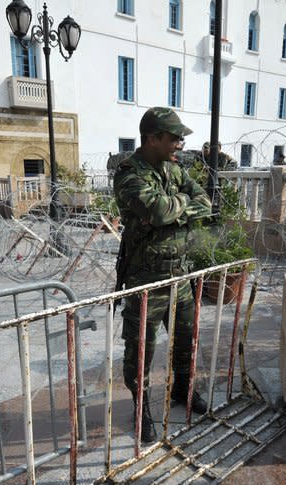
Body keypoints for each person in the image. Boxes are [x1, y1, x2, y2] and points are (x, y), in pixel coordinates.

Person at [114, 107, 213, 443]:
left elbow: (206, 202)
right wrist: (175, 208)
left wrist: (174, 207)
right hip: (146, 280)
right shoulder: (129, 172)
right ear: (153, 138)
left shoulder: (174, 169)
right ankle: (141, 408)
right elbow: (155, 211)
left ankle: (183, 391)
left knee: (187, 340)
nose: (180, 144)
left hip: (180, 276)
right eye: (173, 138)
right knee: (141, 350)